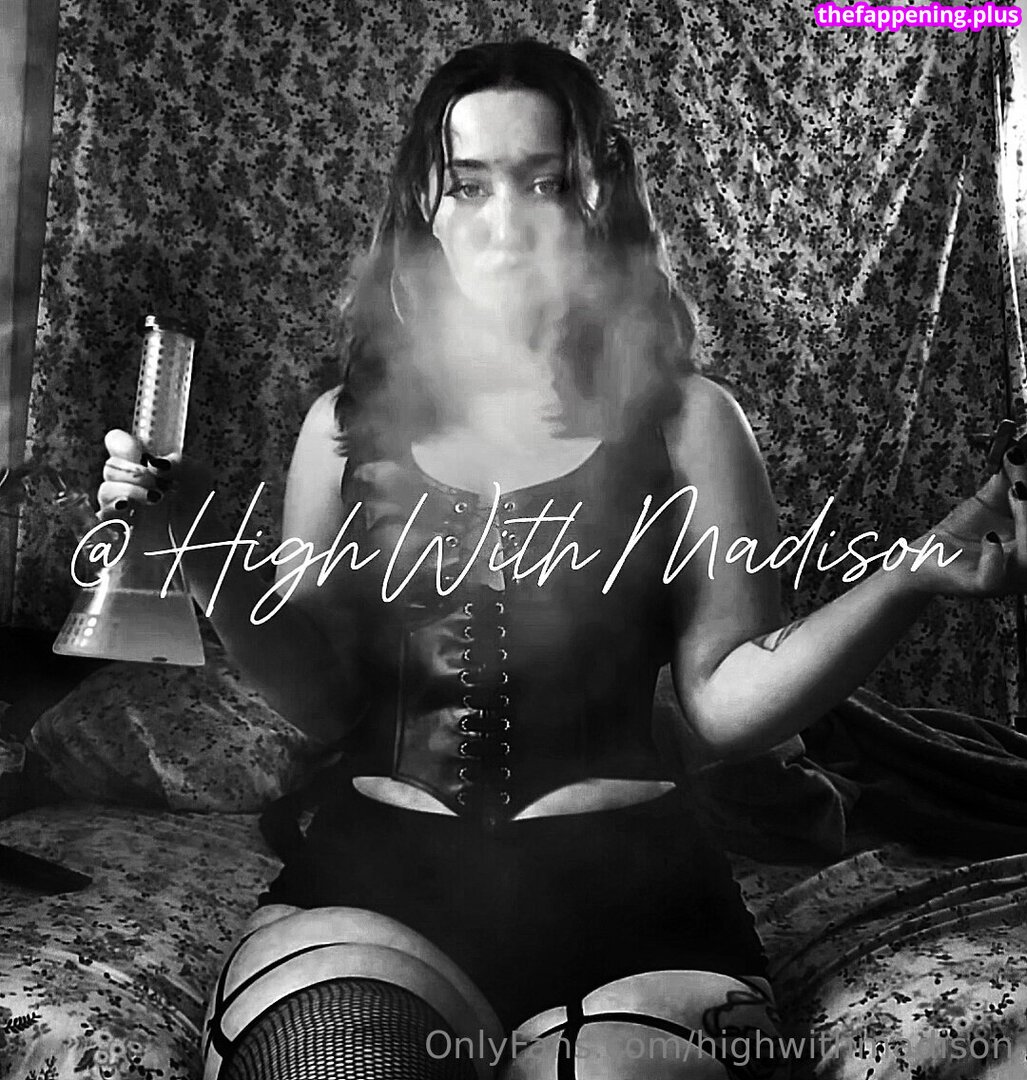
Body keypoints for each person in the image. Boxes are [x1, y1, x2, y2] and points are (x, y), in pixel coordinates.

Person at [96, 38, 1027, 1080]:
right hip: (381, 891)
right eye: (470, 184)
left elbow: (725, 705)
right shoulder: (343, 428)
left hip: (637, 906)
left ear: (597, 203)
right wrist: (198, 545)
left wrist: (910, 576)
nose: (506, 224)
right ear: (425, 207)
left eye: (543, 183)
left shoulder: (689, 422)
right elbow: (320, 702)